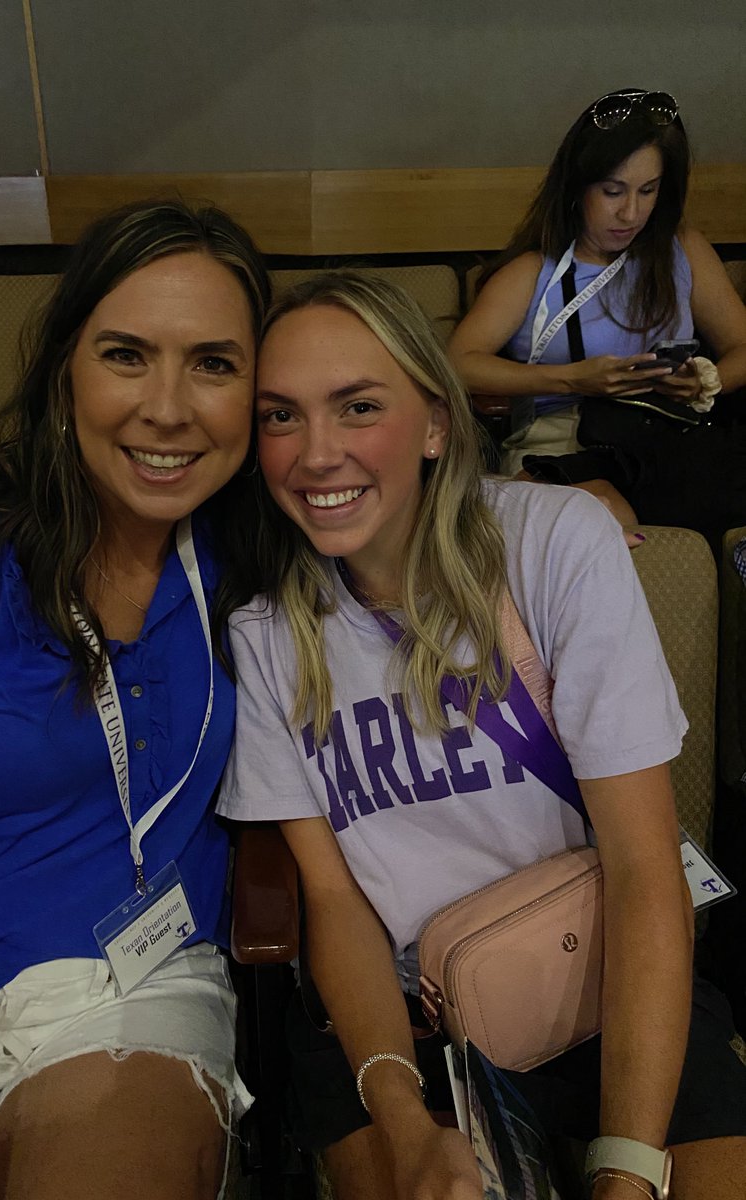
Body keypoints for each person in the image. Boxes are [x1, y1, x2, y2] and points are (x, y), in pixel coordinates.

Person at [218, 271, 746, 1200]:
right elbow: (336, 908)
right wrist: (407, 1122)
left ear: (433, 424)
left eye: (359, 406)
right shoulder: (267, 635)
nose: (317, 454)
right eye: (280, 416)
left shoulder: (553, 545)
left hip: (601, 982)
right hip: (403, 1030)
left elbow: (641, 863)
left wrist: (627, 1168)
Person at [0, 199, 270, 1200]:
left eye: (213, 363)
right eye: (127, 354)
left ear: (258, 390)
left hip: (132, 988)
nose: (168, 408)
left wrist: (566, 494)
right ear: (65, 369)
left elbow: (402, 473)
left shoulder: (260, 545)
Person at [449, 88, 746, 544]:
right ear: (577, 186)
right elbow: (458, 363)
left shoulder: (680, 249)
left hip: (661, 435)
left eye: (648, 190)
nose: (631, 212)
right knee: (598, 507)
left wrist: (707, 382)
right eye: (613, 191)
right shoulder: (534, 271)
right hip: (561, 436)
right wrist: (572, 380)